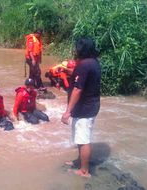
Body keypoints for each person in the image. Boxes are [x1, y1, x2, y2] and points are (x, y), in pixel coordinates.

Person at [61, 38, 101, 178]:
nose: (75, 50)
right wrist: (70, 71)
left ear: (81, 49)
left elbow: (77, 90)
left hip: (84, 108)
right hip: (91, 106)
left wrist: (67, 111)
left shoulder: (83, 65)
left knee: (83, 140)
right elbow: (85, 77)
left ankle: (84, 171)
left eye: (77, 48)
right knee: (80, 137)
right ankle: (80, 161)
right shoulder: (94, 62)